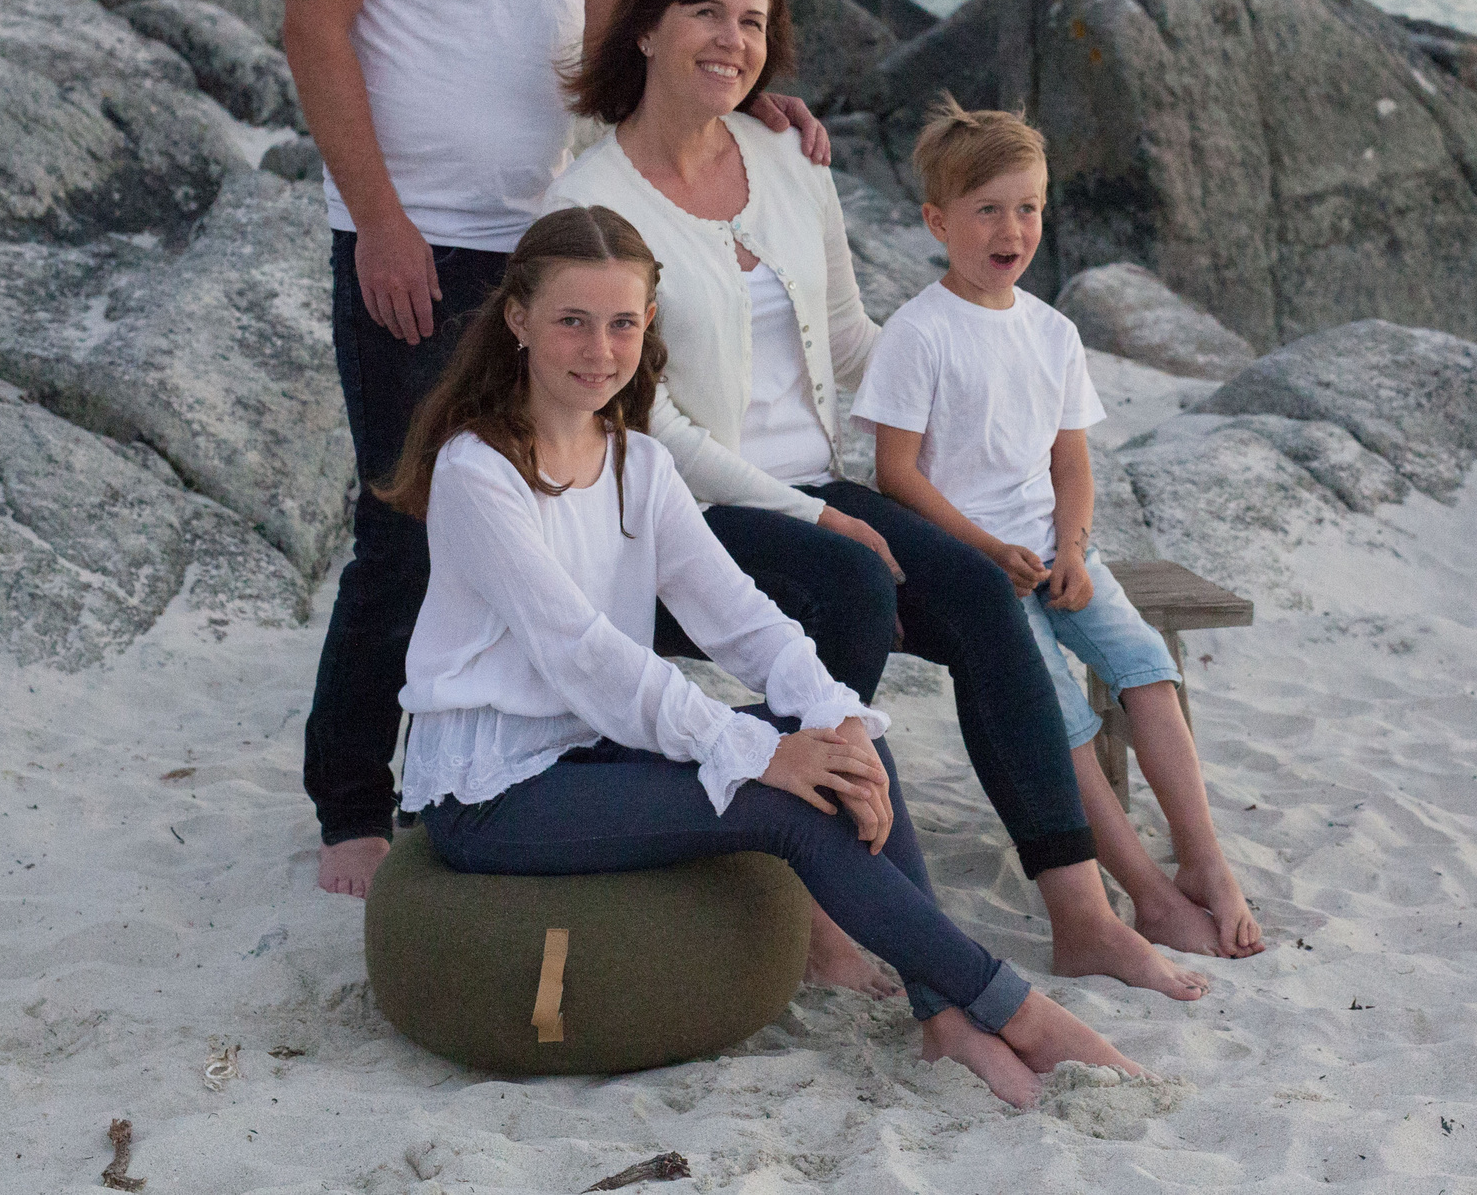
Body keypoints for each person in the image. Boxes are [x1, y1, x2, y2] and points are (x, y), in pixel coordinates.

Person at [277, 0, 827, 898]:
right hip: (418, 241)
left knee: (590, 514)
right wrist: (382, 225)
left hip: (558, 247)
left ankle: (559, 752)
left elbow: (622, 41)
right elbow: (315, 26)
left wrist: (743, 97)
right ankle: (353, 799)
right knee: (409, 523)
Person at [541, 0, 1210, 1001]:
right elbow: (647, 420)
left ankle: (1080, 911)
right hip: (679, 516)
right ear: (648, 27)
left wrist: (973, 405)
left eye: (753, 21)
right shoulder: (593, 200)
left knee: (980, 591)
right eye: (708, 12)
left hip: (823, 491)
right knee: (848, 578)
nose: (732, 38)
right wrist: (816, 517)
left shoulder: (788, 161)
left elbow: (857, 341)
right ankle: (832, 890)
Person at [381, 203, 1146, 1107]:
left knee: (851, 745)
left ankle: (944, 1019)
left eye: (622, 322)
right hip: (496, 786)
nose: (599, 349)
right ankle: (1015, 1011)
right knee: (786, 802)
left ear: (647, 326)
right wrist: (760, 752)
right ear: (518, 321)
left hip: (590, 746)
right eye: (572, 322)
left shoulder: (638, 461)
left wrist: (831, 716)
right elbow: (584, 657)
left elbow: (740, 616)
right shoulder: (480, 472)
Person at [854, 101, 1263, 958]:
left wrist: (1072, 547)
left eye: (1029, 207)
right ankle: (1145, 895)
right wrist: (982, 548)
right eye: (988, 209)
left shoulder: (1053, 332)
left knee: (1146, 670)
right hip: (970, 562)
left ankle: (1204, 863)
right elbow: (894, 475)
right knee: (1058, 716)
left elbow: (1071, 464)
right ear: (938, 222)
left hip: (1058, 551)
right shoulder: (918, 333)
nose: (1012, 229)